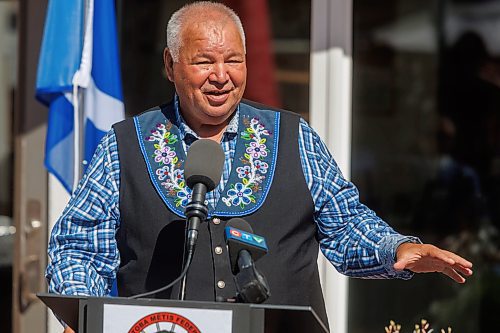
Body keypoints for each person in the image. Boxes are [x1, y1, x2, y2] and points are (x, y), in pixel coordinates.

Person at [46, 2, 473, 332]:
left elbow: (345, 225)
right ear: (170, 65)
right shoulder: (124, 144)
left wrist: (396, 249)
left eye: (233, 60)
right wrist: (84, 313)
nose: (221, 75)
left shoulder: (293, 135)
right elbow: (76, 246)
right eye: (203, 62)